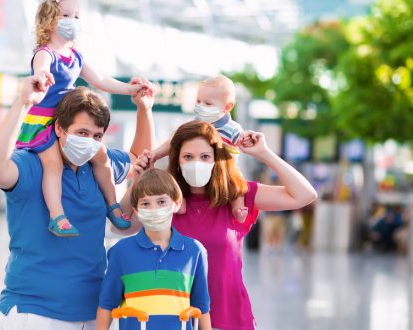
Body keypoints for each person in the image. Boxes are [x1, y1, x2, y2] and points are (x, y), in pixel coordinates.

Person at [0, 74, 155, 329]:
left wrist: (144, 109)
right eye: (81, 132)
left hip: (94, 312)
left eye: (96, 136)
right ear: (59, 128)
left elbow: (139, 158)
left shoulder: (97, 164)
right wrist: (23, 103)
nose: (89, 142)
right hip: (36, 312)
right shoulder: (32, 164)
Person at [129, 121, 317, 330]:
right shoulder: (164, 201)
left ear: (216, 160)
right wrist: (139, 181)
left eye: (205, 157)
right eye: (188, 157)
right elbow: (124, 226)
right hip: (176, 319)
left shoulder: (237, 196)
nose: (196, 163)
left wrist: (264, 154)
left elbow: (305, 195)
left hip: (230, 319)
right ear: (178, 161)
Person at [15, 0, 154, 237]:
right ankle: (57, 216)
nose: (73, 22)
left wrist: (129, 90)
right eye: (66, 15)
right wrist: (41, 76)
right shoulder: (45, 53)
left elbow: (99, 79)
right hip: (44, 122)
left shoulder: (75, 55)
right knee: (53, 164)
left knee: (101, 157)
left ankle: (113, 206)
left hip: (66, 116)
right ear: (49, 19)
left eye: (77, 16)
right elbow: (41, 67)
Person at [97, 168, 211, 330]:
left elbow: (202, 308)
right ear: (136, 210)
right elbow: (106, 305)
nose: (154, 209)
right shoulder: (120, 252)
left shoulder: (195, 251)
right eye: (145, 203)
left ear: (176, 203)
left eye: (161, 202)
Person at [150, 75, 249, 222]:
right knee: (176, 176)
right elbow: (174, 140)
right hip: (199, 169)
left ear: (227, 107)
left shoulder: (232, 129)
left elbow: (244, 140)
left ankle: (238, 209)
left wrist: (248, 139)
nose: (201, 106)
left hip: (225, 170)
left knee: (237, 183)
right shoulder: (196, 123)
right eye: (198, 101)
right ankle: (179, 200)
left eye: (208, 103)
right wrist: (156, 154)